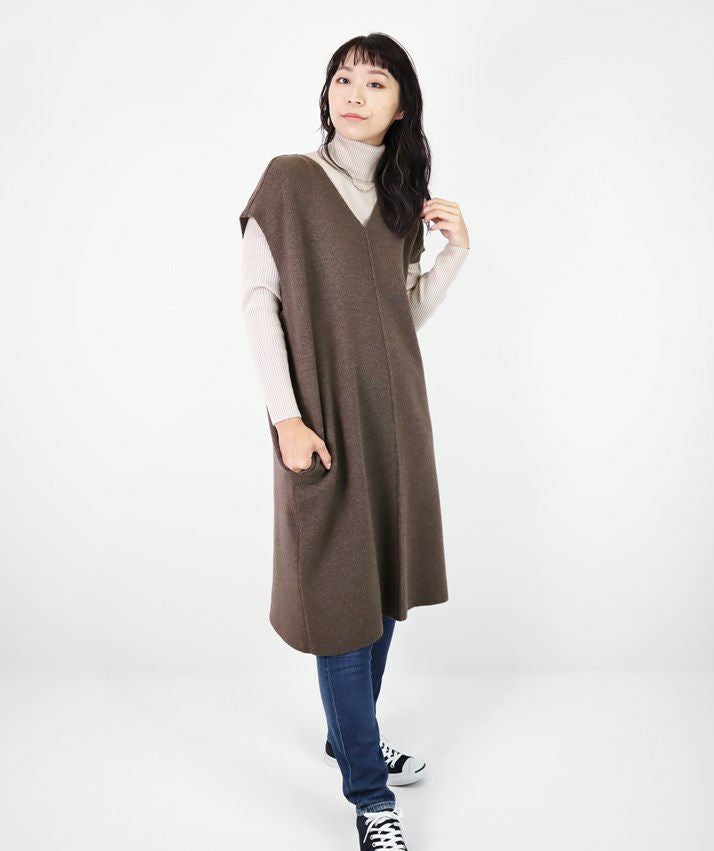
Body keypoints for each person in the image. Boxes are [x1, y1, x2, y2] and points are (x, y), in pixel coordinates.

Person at [239, 33, 470, 849]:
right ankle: (370, 797)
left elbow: (399, 319)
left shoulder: (404, 205)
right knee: (340, 605)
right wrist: (286, 417)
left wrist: (453, 255)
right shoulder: (290, 181)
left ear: (401, 106)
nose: (354, 93)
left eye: (374, 82)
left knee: (381, 589)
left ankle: (351, 737)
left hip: (396, 421)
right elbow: (258, 302)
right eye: (343, 78)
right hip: (323, 426)